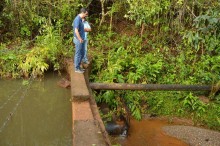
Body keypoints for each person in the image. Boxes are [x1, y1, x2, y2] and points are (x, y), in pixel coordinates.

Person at [72, 8, 88, 73]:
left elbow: (80, 29)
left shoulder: (80, 19)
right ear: (83, 13)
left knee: (82, 53)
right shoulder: (77, 19)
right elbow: (76, 31)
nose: (86, 15)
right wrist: (80, 39)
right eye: (86, 14)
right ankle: (76, 68)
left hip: (81, 39)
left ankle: (78, 67)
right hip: (79, 40)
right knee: (78, 54)